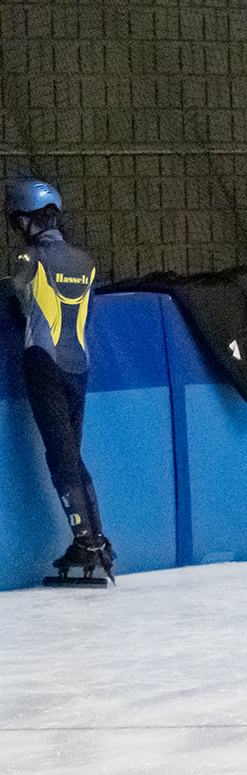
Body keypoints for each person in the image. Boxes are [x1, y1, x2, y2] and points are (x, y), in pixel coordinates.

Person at [6, 178, 111, 586]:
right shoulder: (85, 261)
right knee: (75, 457)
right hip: (78, 367)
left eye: (18, 221)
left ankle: (86, 544)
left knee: (59, 458)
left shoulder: (25, 259)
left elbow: (18, 301)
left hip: (42, 365)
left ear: (28, 220)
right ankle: (96, 539)